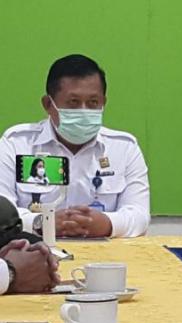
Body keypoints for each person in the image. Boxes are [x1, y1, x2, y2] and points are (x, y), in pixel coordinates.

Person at [0, 54, 150, 238]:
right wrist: (42, 223)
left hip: (104, 252)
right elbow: (2, 211)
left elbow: (140, 215)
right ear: (48, 104)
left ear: (104, 103)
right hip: (35, 250)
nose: (84, 110)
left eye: (93, 102)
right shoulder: (16, 144)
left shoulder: (124, 148)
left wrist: (106, 224)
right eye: (73, 102)